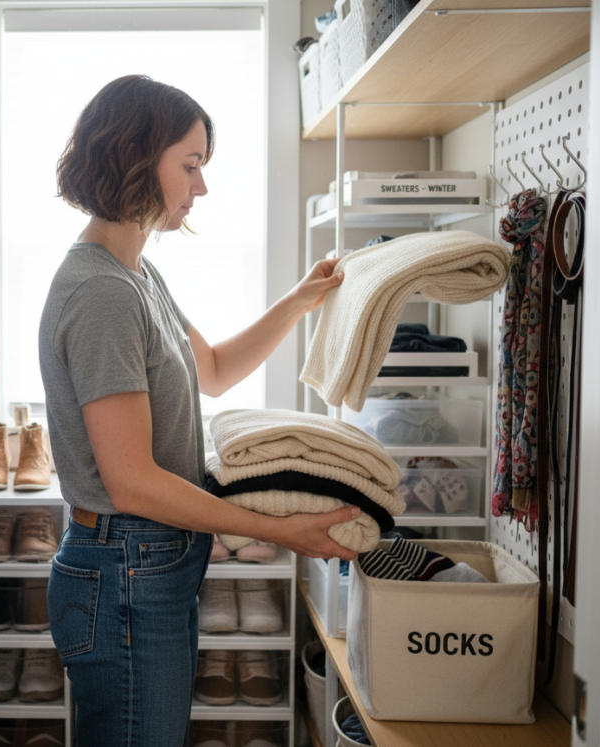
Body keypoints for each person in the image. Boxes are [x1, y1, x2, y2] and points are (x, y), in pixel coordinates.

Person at [37, 74, 358, 747]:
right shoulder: (103, 292)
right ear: (135, 156)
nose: (201, 187)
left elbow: (211, 371)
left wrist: (300, 300)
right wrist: (276, 529)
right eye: (191, 165)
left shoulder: (137, 275)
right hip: (126, 564)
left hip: (149, 561)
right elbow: (133, 482)